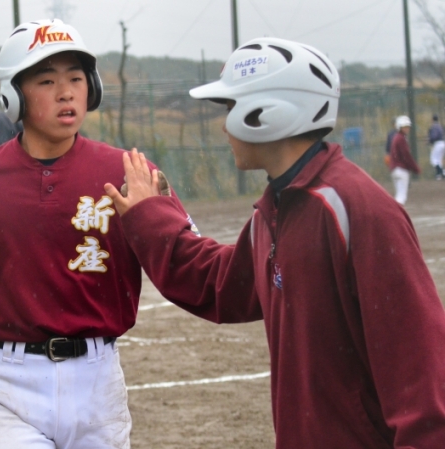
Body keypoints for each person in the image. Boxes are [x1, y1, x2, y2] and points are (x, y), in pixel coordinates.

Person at [104, 38, 445, 448]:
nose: (225, 126)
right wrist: (152, 215)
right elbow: (218, 285)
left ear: (266, 114)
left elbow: (421, 376)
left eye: (231, 108)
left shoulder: (356, 209)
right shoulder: (277, 207)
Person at [0, 19, 193, 448]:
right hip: (6, 381)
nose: (66, 92)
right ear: (14, 95)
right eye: (46, 81)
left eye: (76, 78)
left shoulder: (129, 172)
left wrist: (159, 219)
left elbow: (188, 257)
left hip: (99, 382)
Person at [389, 115, 421, 205]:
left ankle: (394, 210)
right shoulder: (401, 138)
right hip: (401, 170)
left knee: (399, 194)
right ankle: (395, 212)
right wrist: (415, 168)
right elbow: (406, 155)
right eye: (404, 127)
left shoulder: (396, 137)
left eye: (408, 127)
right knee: (402, 196)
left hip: (394, 169)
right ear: (399, 127)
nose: (407, 129)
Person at [428, 114, 444, 180]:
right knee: (438, 160)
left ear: (432, 119)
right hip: (443, 143)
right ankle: (438, 175)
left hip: (438, 144)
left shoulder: (434, 126)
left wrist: (430, 141)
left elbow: (434, 136)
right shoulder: (440, 126)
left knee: (433, 159)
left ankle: (442, 172)